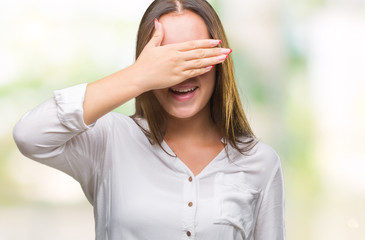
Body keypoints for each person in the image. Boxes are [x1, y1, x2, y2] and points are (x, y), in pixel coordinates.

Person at [13, 0, 285, 239]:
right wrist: (138, 77)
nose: (181, 74)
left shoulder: (260, 162)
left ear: (218, 60)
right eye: (167, 61)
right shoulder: (110, 141)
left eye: (194, 57)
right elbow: (30, 135)